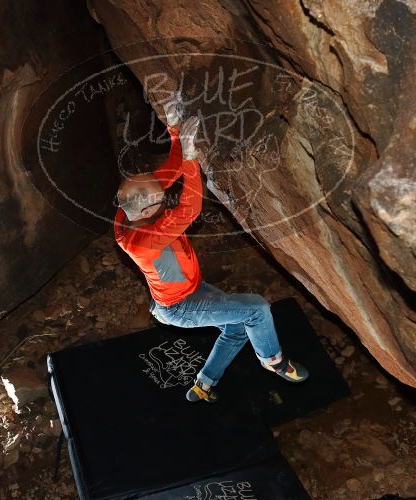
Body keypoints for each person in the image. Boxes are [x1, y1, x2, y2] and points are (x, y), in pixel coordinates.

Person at [113, 93, 308, 403]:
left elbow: (170, 170)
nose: (164, 195)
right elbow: (190, 208)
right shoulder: (147, 240)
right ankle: (274, 361)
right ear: (149, 211)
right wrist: (192, 158)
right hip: (180, 308)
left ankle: (204, 383)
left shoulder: (129, 209)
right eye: (160, 199)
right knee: (256, 310)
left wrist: (175, 128)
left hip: (191, 289)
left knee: (235, 329)